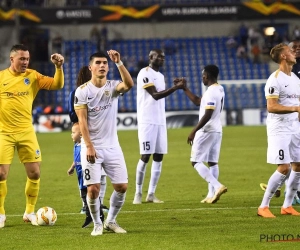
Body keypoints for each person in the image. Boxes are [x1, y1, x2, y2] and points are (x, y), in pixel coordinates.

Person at [0, 44, 64, 228]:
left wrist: (58, 68)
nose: (25, 62)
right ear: (12, 59)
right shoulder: (1, 77)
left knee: (35, 172)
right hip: (4, 132)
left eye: (27, 59)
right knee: (1, 173)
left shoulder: (33, 76)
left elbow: (57, 84)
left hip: (26, 131)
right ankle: (1, 214)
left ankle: (29, 212)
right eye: (22, 59)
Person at [74, 50, 134, 236]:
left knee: (122, 187)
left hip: (112, 146)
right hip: (91, 146)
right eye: (98, 63)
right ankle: (97, 224)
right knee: (93, 190)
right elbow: (82, 121)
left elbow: (129, 84)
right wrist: (89, 145)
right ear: (91, 67)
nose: (102, 65)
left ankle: (111, 221)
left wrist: (119, 62)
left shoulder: (113, 86)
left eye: (105, 63)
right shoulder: (82, 91)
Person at [133, 49, 185, 205]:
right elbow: (155, 95)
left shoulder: (161, 76)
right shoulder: (145, 73)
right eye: (159, 56)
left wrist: (173, 87)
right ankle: (138, 193)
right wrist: (175, 88)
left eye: (163, 57)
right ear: (150, 58)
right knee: (145, 156)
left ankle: (151, 194)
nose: (162, 59)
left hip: (160, 121)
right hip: (147, 121)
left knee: (159, 156)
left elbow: (161, 94)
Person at [257, 43, 300, 218]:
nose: (294, 53)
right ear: (283, 56)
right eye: (290, 51)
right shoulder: (274, 79)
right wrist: (296, 109)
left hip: (294, 127)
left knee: (298, 165)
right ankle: (263, 206)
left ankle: (287, 206)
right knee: (284, 167)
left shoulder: (296, 80)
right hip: (279, 129)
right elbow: (272, 106)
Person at [174, 65, 227, 204]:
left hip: (207, 130)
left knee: (195, 161)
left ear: (207, 76)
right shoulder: (219, 89)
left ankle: (217, 186)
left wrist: (194, 130)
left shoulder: (211, 92)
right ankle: (211, 194)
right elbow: (198, 101)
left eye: (203, 75)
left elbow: (208, 114)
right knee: (213, 163)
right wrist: (184, 88)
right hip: (217, 130)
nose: (202, 77)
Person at [68, 66, 108, 228]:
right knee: (85, 173)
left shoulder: (99, 91)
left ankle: (99, 203)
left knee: (101, 173)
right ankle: (88, 206)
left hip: (101, 135)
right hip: (86, 136)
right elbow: (73, 115)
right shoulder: (77, 93)